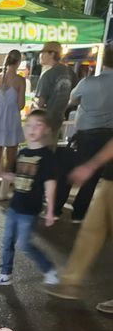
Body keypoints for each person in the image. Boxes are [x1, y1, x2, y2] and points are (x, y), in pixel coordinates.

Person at [0, 110, 58, 288]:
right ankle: (5, 274)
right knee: (7, 241)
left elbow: (50, 184)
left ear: (47, 130)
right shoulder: (22, 152)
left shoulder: (47, 156)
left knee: (24, 244)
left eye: (38, 125)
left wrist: (50, 210)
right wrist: (3, 174)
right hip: (15, 206)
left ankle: (49, 269)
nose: (32, 129)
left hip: (29, 210)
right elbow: (19, 178)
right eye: (29, 125)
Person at [45, 135, 113, 313]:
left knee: (92, 230)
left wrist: (91, 165)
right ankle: (69, 283)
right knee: (91, 230)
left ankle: (69, 282)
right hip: (110, 178)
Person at [52, 44, 113, 223]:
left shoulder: (88, 82)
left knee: (67, 170)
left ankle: (55, 210)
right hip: (108, 136)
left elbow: (72, 100)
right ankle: (78, 214)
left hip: (85, 134)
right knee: (92, 175)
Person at [0, 49, 25, 199]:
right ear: (19, 62)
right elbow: (21, 105)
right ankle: (3, 192)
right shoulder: (20, 80)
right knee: (11, 156)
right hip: (11, 121)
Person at [33, 42, 75, 141]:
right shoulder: (70, 72)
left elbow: (40, 103)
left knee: (43, 150)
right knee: (53, 148)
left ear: (52, 54)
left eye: (43, 53)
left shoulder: (48, 75)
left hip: (45, 121)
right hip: (60, 117)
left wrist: (34, 105)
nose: (40, 56)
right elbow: (74, 97)